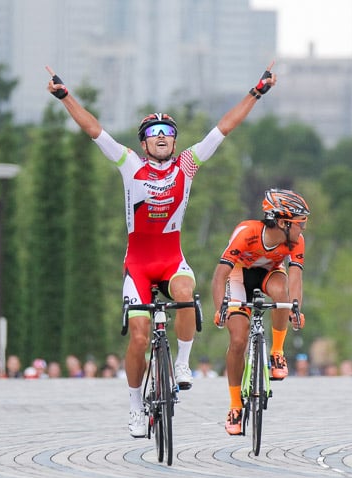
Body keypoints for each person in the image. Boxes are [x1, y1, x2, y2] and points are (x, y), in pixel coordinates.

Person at [47, 63, 277, 438]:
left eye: (167, 132)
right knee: (139, 338)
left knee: (186, 295)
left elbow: (225, 127)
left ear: (174, 140)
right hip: (137, 265)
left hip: (172, 260)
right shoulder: (129, 163)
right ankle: (136, 408)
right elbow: (93, 129)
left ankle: (182, 365)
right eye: (152, 133)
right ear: (142, 142)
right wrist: (64, 96)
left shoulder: (188, 163)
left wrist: (257, 91)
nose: (161, 137)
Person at [211, 189, 309, 435]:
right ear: (282, 222)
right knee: (238, 340)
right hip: (238, 276)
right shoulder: (247, 232)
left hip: (270, 273)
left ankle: (277, 352)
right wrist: (219, 306)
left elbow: (295, 277)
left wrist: (295, 308)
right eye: (300, 224)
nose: (303, 230)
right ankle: (235, 405)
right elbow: (220, 273)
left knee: (282, 295)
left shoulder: (296, 242)